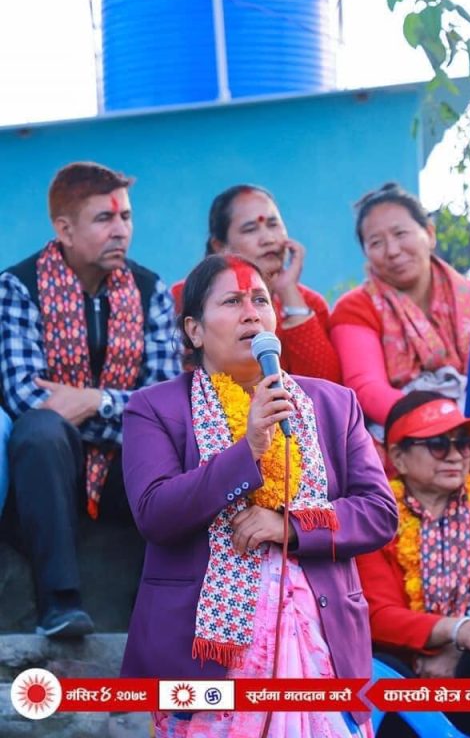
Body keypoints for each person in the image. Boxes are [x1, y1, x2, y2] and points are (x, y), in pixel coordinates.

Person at [122, 254, 397, 738]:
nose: (251, 313)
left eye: (261, 301)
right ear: (194, 330)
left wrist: (290, 526)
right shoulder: (155, 408)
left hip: (321, 643)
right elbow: (155, 513)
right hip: (205, 662)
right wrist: (247, 450)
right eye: (232, 301)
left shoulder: (333, 404)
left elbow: (378, 512)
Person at [0, 161, 181, 637]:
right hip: (50, 470)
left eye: (126, 217)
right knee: (41, 432)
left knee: (176, 445)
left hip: (123, 467)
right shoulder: (18, 287)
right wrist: (122, 410)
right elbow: (26, 397)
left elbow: (164, 404)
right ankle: (59, 606)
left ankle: (175, 614)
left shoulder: (150, 291)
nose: (121, 230)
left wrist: (95, 401)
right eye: (105, 218)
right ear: (64, 230)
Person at [356, 391, 470, 738]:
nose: (455, 456)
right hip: (407, 666)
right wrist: (455, 630)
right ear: (399, 456)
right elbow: (378, 615)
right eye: (439, 445)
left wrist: (465, 644)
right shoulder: (374, 517)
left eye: (464, 443)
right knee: (381, 676)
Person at [330, 182, 470, 447]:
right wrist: (440, 424)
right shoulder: (355, 307)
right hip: (407, 440)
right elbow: (367, 388)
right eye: (376, 242)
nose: (393, 251)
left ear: (429, 234)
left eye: (400, 233)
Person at [171, 184, 341, 381]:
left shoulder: (308, 304)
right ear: (220, 246)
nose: (268, 239)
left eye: (273, 224)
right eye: (250, 229)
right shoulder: (183, 298)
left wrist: (288, 293)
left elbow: (326, 389)